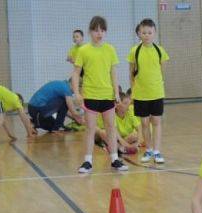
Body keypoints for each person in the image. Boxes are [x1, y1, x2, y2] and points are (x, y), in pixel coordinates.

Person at [72, 15, 128, 173]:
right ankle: (88, 161)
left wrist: (116, 92)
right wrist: (76, 92)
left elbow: (113, 73)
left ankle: (115, 159)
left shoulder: (110, 49)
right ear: (90, 31)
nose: (99, 33)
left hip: (107, 96)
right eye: (96, 30)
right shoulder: (83, 50)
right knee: (90, 128)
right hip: (90, 95)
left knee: (111, 127)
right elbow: (76, 73)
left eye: (102, 30)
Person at [128, 18, 169, 164]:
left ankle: (157, 151)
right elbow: (131, 73)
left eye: (149, 32)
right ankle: (149, 149)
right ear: (139, 33)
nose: (146, 35)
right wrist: (133, 91)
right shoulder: (135, 51)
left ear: (154, 33)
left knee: (156, 121)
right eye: (144, 32)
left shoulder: (160, 50)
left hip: (156, 92)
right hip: (140, 93)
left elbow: (162, 71)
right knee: (144, 123)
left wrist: (160, 86)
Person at [95, 90, 141, 155]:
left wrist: (138, 143)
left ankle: (115, 147)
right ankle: (117, 147)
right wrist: (129, 146)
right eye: (125, 103)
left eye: (129, 103)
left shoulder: (130, 110)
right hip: (113, 136)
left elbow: (139, 128)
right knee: (103, 132)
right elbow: (116, 135)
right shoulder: (111, 113)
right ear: (117, 105)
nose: (128, 105)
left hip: (123, 138)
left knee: (135, 135)